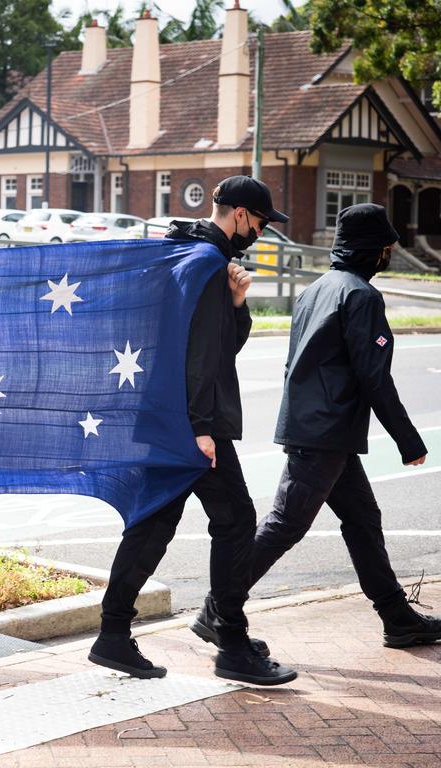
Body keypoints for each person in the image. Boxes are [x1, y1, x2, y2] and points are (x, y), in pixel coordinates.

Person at [193, 203, 440, 650]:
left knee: (363, 520)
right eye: (386, 248)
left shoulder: (316, 288)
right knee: (284, 525)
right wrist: (408, 440)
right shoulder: (361, 296)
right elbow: (374, 376)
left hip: (319, 428)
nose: (387, 256)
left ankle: (397, 617)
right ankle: (218, 608)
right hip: (325, 433)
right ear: (375, 251)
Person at [88, 176, 297, 686]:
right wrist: (202, 429)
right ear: (243, 215)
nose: (263, 232)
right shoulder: (205, 262)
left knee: (155, 522)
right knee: (236, 521)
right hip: (191, 421)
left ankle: (113, 635)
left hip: (164, 413)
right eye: (262, 223)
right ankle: (231, 642)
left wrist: (238, 303)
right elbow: (202, 354)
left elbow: (218, 341)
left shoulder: (187, 253)